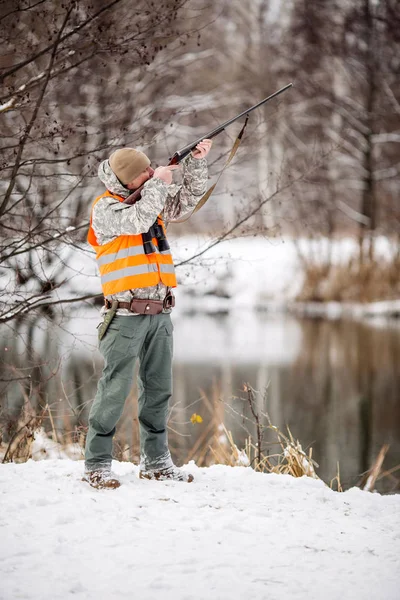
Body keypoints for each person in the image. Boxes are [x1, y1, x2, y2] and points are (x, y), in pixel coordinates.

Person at [84, 139, 213, 489]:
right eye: (143, 171)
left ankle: (156, 463)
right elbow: (139, 221)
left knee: (158, 391)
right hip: (124, 316)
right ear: (128, 181)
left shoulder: (150, 199)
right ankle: (96, 465)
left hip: (160, 315)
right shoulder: (106, 209)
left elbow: (186, 202)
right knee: (114, 392)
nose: (150, 171)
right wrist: (159, 182)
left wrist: (196, 164)